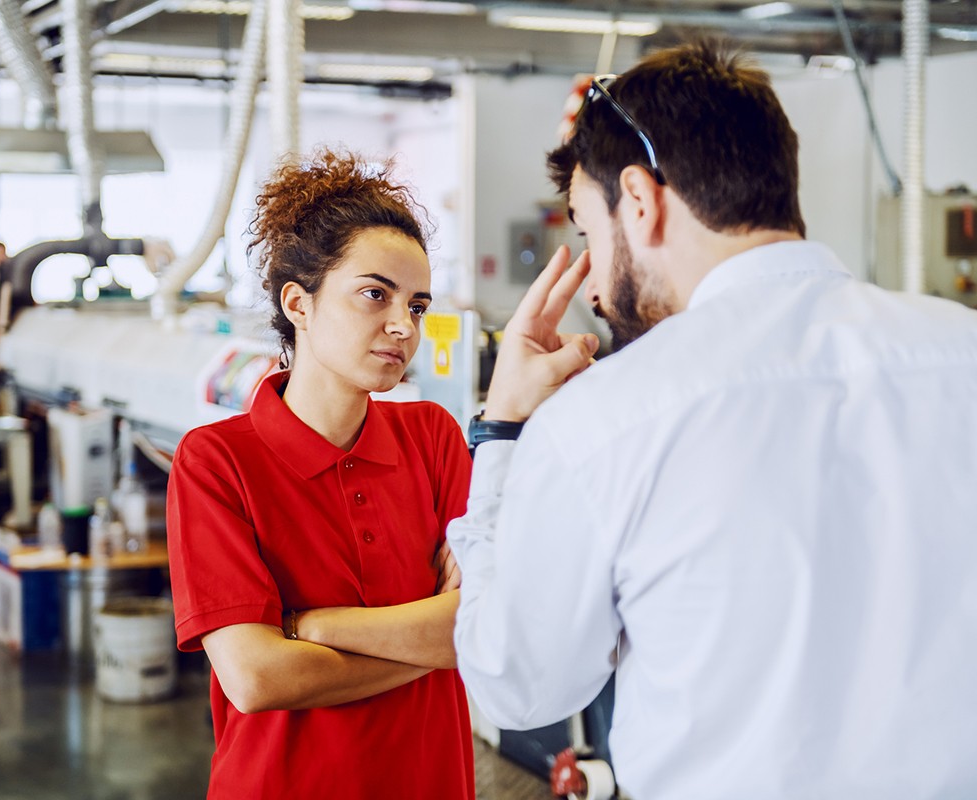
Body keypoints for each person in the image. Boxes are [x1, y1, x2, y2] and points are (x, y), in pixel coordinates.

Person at [449, 41, 977, 800]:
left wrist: (501, 434)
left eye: (589, 234)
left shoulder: (608, 421)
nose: (592, 284)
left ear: (640, 200)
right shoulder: (962, 351)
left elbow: (518, 682)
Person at [166, 150, 475, 799]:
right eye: (374, 294)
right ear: (298, 304)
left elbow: (483, 630)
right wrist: (431, 637)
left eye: (416, 306)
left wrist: (313, 627)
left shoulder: (434, 440)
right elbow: (257, 678)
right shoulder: (218, 463)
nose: (402, 326)